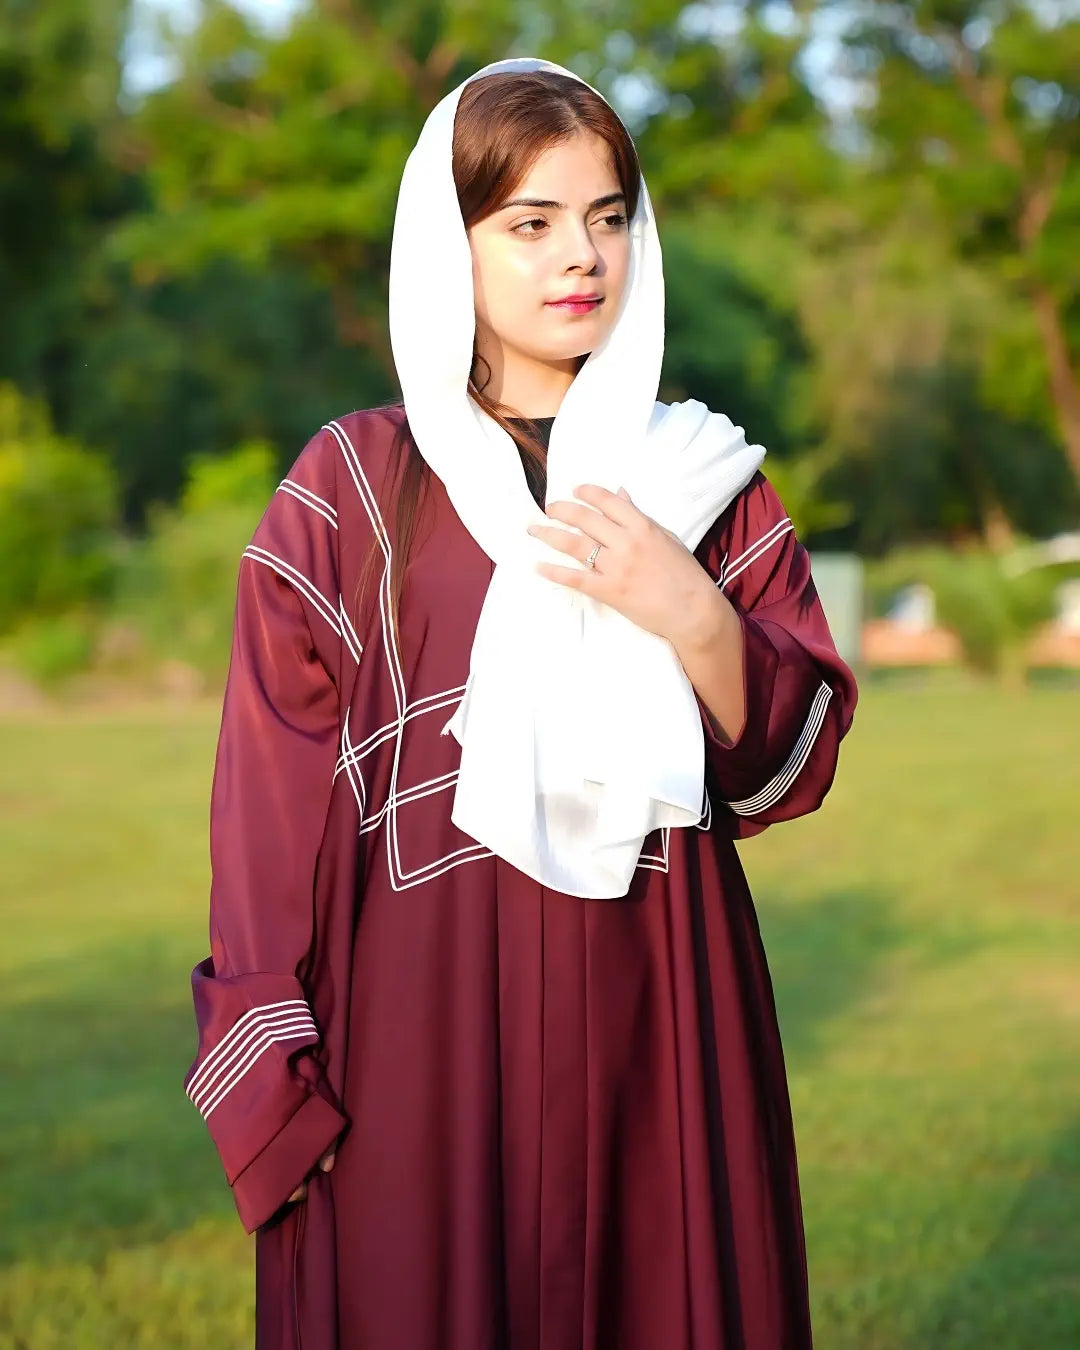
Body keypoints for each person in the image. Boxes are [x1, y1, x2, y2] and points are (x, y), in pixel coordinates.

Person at [183, 55, 857, 1350]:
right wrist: (272, 1066)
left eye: (609, 216)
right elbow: (266, 814)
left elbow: (792, 757)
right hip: (415, 1043)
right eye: (530, 222)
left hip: (659, 1007)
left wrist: (691, 607)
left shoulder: (698, 478)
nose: (581, 256)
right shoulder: (352, 491)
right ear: (453, 243)